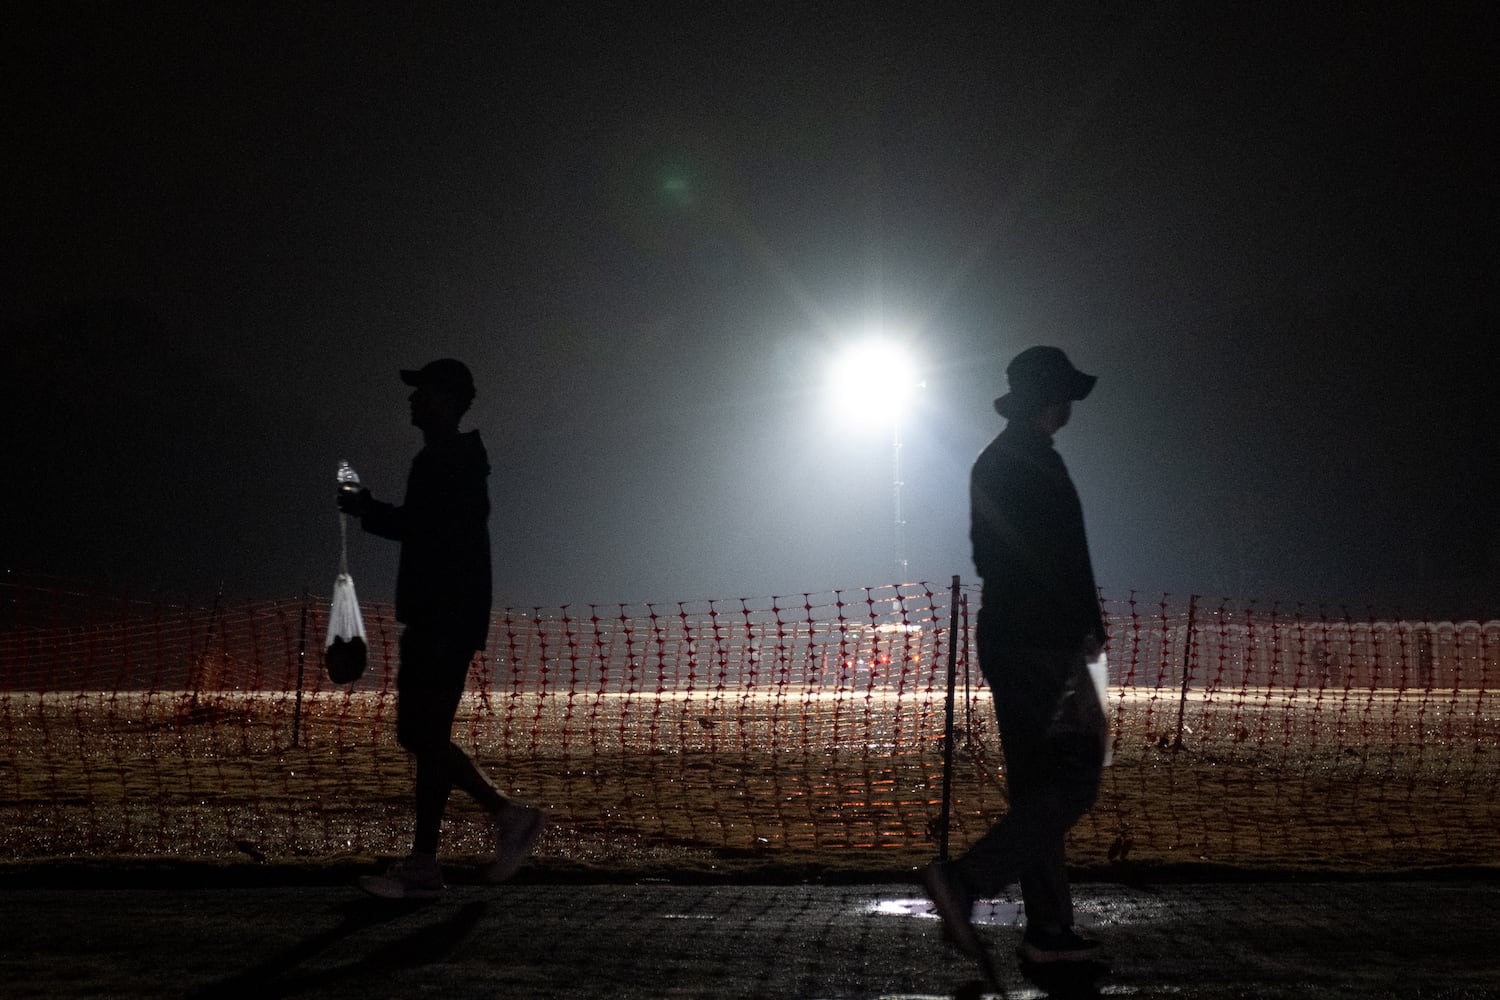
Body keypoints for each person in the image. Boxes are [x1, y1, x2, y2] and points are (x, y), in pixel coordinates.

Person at [924, 345, 1109, 967]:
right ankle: (968, 880)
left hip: (1011, 637)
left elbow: (989, 557)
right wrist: (1079, 625)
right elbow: (1057, 559)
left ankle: (1049, 930)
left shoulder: (996, 462)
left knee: (1039, 789)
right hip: (1045, 644)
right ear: (1052, 400)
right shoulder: (1034, 464)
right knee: (1077, 777)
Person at [338, 358, 544, 899]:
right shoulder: (449, 457)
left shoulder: (448, 459)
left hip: (445, 615)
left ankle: (434, 861)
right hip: (444, 613)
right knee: (420, 736)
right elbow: (431, 528)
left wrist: (367, 509)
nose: (412, 400)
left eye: (422, 391)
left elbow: (426, 529)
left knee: (424, 736)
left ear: (447, 399)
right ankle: (497, 823)